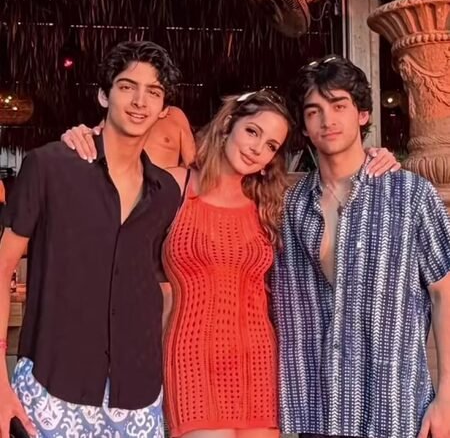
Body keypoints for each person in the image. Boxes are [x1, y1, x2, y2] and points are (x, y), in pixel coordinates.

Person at [62, 83, 399, 437]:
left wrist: (375, 158)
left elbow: (337, 195)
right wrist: (83, 141)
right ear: (227, 125)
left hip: (259, 358)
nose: (257, 149)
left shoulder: (271, 203)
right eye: (252, 132)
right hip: (191, 355)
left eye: (271, 145)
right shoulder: (175, 185)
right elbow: (105, 196)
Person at [0, 40, 182, 438]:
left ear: (164, 109)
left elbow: (159, 286)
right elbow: (2, 269)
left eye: (153, 92)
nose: (139, 101)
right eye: (126, 86)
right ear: (103, 95)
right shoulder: (49, 166)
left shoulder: (166, 191)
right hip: (52, 387)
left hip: (138, 395)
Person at [271, 55, 450, 438]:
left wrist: (447, 396)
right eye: (314, 111)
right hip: (317, 412)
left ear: (363, 114)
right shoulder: (289, 207)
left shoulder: (411, 195)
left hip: (393, 409)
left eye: (339, 106)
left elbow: (444, 293)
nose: (327, 120)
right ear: (304, 125)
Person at [65, 105, 196, 168]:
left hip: (167, 201)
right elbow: (92, 148)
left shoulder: (175, 115)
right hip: (126, 200)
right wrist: (76, 138)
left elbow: (192, 165)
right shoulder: (118, 116)